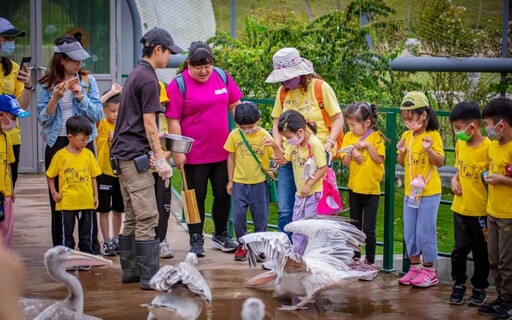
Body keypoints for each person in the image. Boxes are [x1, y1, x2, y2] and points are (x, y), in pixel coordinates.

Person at [110, 27, 181, 290]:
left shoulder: (135, 74)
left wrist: (152, 141)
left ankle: (130, 272)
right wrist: (161, 159)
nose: (170, 57)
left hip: (122, 153)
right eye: (168, 52)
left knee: (131, 215)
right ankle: (149, 277)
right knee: (148, 216)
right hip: (133, 156)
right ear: (158, 49)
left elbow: (139, 121)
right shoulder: (150, 79)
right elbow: (149, 122)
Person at [165, 41, 243, 257]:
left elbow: (235, 104)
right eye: (198, 66)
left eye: (207, 65)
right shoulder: (178, 85)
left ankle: (220, 235)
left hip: (223, 151)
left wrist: (245, 130)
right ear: (188, 64)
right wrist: (179, 150)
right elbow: (173, 119)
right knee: (195, 197)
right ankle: (196, 238)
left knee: (223, 194)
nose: (203, 71)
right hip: (193, 154)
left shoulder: (222, 76)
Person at [265, 47, 343, 242]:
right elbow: (277, 122)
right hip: (290, 156)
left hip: (316, 156)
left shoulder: (319, 88)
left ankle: (314, 250)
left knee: (314, 207)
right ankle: (286, 249)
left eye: (288, 78)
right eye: (282, 79)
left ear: (300, 73)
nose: (285, 82)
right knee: (285, 207)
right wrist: (277, 146)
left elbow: (338, 118)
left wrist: (329, 143)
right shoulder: (283, 92)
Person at [37, 35, 103, 249]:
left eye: (81, 60)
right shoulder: (47, 85)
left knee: (86, 196)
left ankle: (89, 247)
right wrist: (55, 98)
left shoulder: (87, 82)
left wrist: (80, 97)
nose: (79, 64)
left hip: (84, 141)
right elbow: (42, 119)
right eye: (74, 60)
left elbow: (98, 114)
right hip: (58, 143)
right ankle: (62, 248)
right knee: (59, 199)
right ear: (61, 60)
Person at [396, 91, 445, 288]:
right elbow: (401, 162)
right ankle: (415, 268)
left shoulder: (432, 136)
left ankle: (429, 270)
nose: (408, 121)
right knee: (410, 232)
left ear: (423, 115)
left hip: (429, 192)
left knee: (425, 231)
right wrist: (401, 151)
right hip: (411, 192)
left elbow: (440, 162)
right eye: (405, 118)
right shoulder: (407, 135)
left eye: (411, 117)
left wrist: (428, 149)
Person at [265, 110, 327, 255]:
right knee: (297, 226)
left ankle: (311, 256)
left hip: (313, 194)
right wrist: (275, 146)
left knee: (310, 227)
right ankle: (297, 255)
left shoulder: (314, 144)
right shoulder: (294, 144)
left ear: (300, 131)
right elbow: (284, 159)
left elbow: (323, 167)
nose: (287, 140)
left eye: (288, 137)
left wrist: (309, 184)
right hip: (300, 194)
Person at [448, 101, 490, 306]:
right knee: (459, 249)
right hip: (460, 208)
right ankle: (459, 284)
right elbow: (459, 170)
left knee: (482, 251)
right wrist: (454, 180)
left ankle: (480, 286)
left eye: (458, 129)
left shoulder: (489, 148)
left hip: (481, 211)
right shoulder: (460, 145)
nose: (457, 133)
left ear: (472, 127)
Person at [46, 116, 102, 270]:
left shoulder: (88, 154)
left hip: (86, 201)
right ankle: (67, 260)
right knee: (67, 234)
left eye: (87, 140)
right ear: (70, 137)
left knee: (86, 234)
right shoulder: (60, 156)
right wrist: (54, 193)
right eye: (83, 140)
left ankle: (85, 258)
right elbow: (50, 175)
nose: (85, 143)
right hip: (67, 203)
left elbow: (93, 177)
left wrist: (95, 196)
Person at [340, 102, 385, 281]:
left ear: (366, 123)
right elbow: (344, 161)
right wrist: (352, 153)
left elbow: (379, 159)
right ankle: (355, 258)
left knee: (369, 229)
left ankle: (370, 261)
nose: (351, 128)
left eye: (353, 124)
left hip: (372, 190)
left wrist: (366, 146)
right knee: (355, 227)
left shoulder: (376, 137)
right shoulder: (349, 137)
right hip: (354, 188)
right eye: (349, 124)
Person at [224, 101, 274, 261]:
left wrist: (273, 169)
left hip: (259, 183)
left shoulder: (265, 135)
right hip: (239, 182)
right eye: (242, 127)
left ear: (258, 120)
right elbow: (230, 157)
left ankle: (259, 246)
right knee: (238, 217)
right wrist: (230, 180)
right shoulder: (234, 135)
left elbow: (275, 157)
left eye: (250, 126)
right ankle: (242, 243)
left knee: (261, 217)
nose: (246, 130)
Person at [478, 97, 512, 318]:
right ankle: (501, 296)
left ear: (502, 125)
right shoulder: (492, 146)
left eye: (489, 124)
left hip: (508, 215)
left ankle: (509, 301)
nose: (488, 129)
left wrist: (501, 180)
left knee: (506, 261)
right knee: (494, 258)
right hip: (492, 211)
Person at [0, 18, 32, 188]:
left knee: (9, 186)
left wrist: (28, 86)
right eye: (7, 38)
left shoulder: (13, 68)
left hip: (10, 137)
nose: (11, 43)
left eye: (13, 39)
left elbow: (21, 106)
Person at [96, 84, 123, 257]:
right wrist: (112, 93)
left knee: (118, 209)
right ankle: (106, 241)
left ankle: (116, 238)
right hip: (104, 172)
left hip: (120, 173)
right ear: (105, 110)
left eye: (119, 111)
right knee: (104, 209)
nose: (115, 114)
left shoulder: (125, 125)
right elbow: (96, 105)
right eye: (112, 110)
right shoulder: (100, 123)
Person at [0, 94, 29, 250]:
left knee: (6, 232)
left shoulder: (6, 138)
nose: (14, 122)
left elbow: (9, 165)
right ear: (1, 114)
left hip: (5, 195)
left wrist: (11, 189)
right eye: (13, 117)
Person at [153, 80, 173, 259]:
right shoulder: (140, 119)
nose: (160, 106)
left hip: (162, 170)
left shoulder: (165, 120)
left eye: (162, 103)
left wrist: (161, 159)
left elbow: (170, 146)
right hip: (145, 169)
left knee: (163, 205)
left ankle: (162, 240)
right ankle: (146, 241)